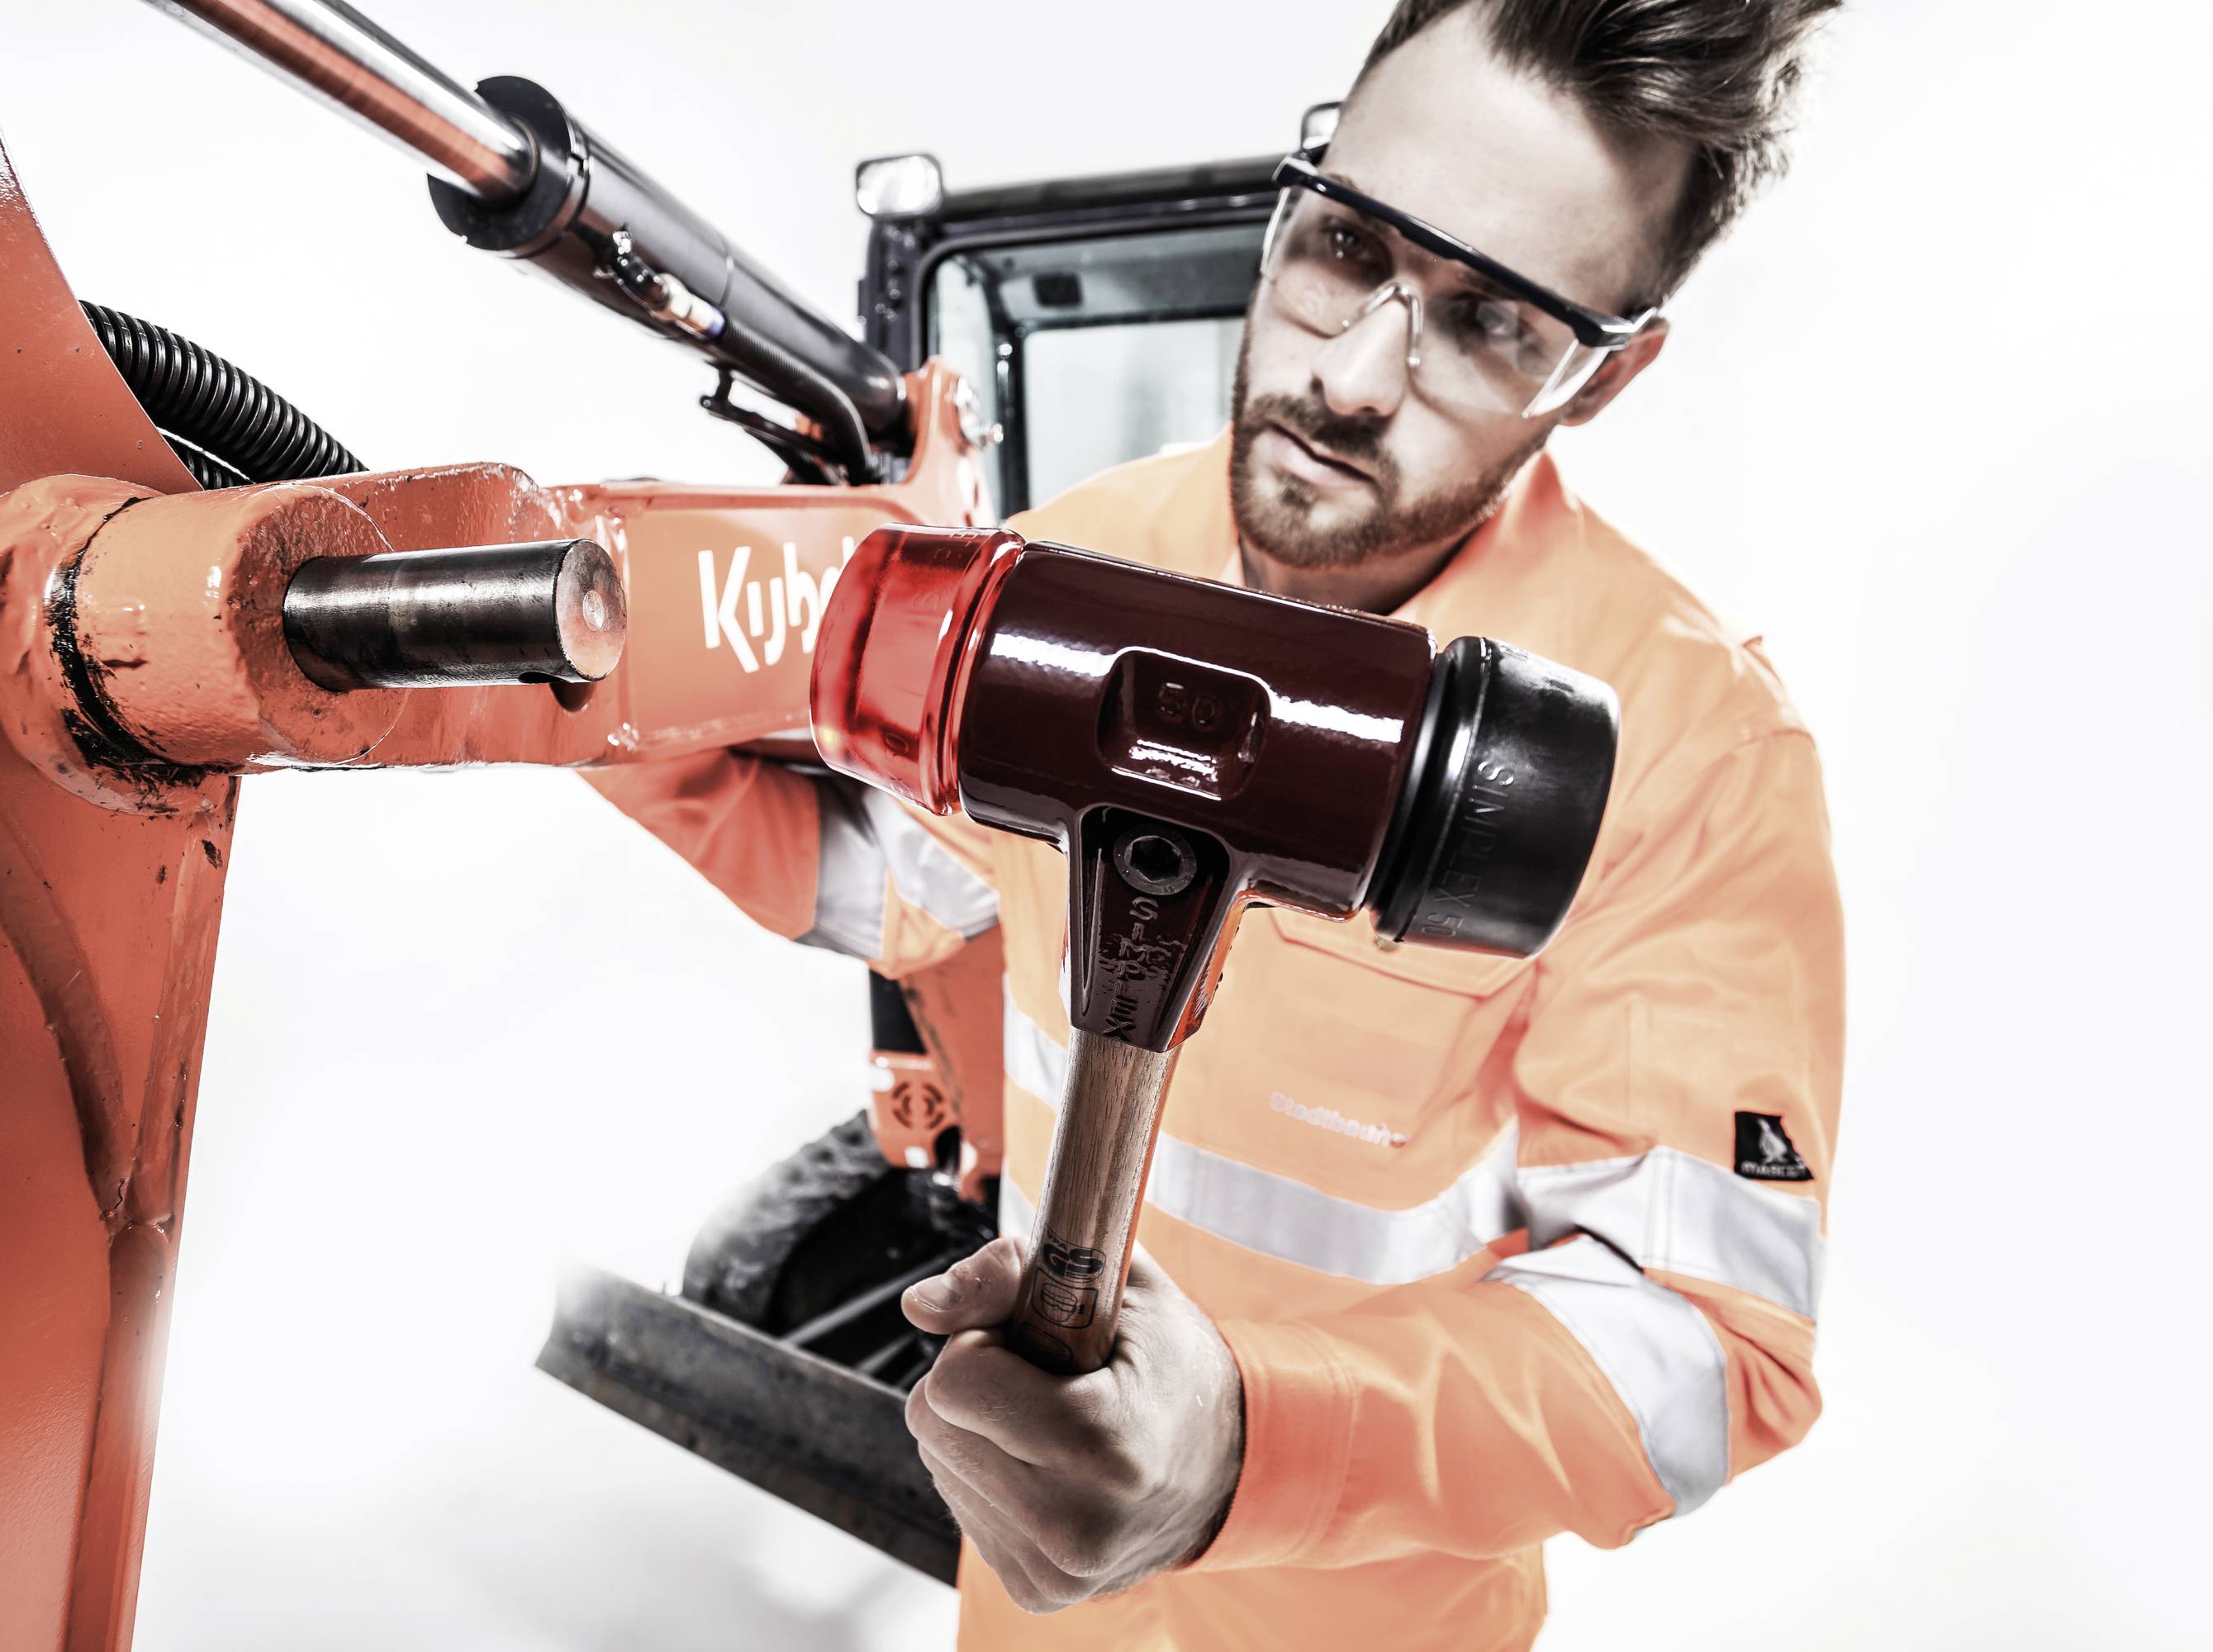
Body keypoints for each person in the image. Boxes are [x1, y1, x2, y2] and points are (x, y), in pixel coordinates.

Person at [584, 1, 1845, 1644]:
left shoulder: (1685, 753)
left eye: (1492, 324)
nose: (1354, 374)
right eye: (1344, 246)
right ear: (1296, 193)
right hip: (1026, 1608)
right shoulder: (1071, 563)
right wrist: (637, 724)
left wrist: (1252, 1440)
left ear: (1609, 371)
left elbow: (1697, 1341)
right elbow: (925, 898)